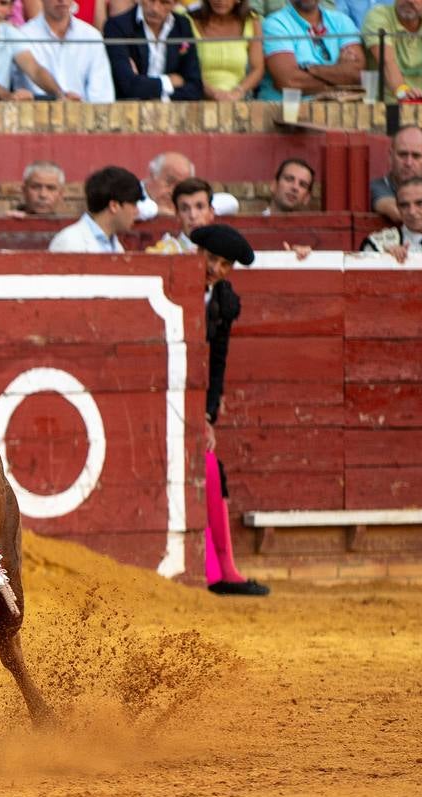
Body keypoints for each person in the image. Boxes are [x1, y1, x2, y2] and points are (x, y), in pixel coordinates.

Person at [192, 223, 270, 598]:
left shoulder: (225, 300)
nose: (217, 269)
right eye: (212, 259)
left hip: (191, 402)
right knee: (205, 468)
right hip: (165, 399)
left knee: (211, 468)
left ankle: (224, 570)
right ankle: (214, 570)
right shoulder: (173, 282)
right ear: (197, 252)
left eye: (226, 265)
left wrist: (207, 417)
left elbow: (216, 362)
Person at [257, 0, 362, 100]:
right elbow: (290, 81)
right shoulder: (275, 24)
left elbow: (357, 74)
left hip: (337, 110)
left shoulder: (342, 21)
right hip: (285, 112)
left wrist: (310, 69)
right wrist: (341, 75)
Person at [103, 0, 204, 100]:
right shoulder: (117, 26)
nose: (155, 8)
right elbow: (128, 85)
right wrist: (169, 81)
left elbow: (195, 87)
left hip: (172, 110)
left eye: (164, 2)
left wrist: (149, 89)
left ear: (175, 3)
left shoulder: (182, 26)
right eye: (151, 0)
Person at [15, 0, 114, 101]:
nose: (61, 1)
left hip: (84, 113)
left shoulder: (92, 36)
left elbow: (102, 96)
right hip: (33, 114)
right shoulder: (22, 35)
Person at [48, 165, 142, 252]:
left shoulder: (116, 246)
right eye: (133, 205)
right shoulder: (69, 241)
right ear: (114, 206)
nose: (137, 212)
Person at [189, 0, 264, 101]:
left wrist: (236, 93)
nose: (220, 1)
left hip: (237, 100)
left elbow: (257, 69)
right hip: (197, 99)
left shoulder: (251, 20)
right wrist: (212, 93)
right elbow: (185, 69)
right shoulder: (190, 20)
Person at [138, 151, 240, 220]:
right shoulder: (133, 190)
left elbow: (230, 202)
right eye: (169, 182)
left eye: (181, 185)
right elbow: (129, 209)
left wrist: (197, 209)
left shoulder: (189, 203)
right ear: (152, 175)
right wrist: (157, 211)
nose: (174, 190)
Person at [147, 176, 215, 253]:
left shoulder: (223, 251)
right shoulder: (163, 252)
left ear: (211, 212)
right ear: (177, 215)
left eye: (199, 207)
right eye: (185, 209)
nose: (193, 215)